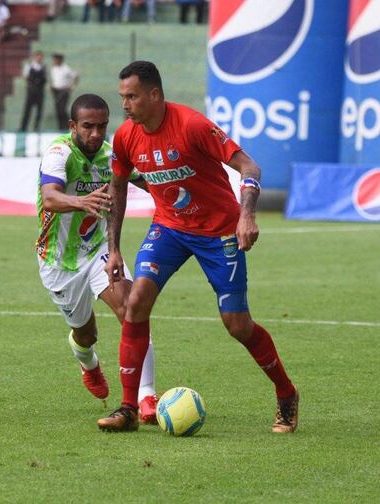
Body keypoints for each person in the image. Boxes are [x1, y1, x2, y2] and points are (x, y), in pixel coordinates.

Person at [98, 61, 299, 434]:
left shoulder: (192, 125)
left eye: (132, 97)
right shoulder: (126, 137)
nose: (125, 105)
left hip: (219, 231)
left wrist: (246, 216)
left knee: (237, 325)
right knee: (136, 301)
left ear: (154, 95)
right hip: (169, 228)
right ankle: (128, 408)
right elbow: (118, 187)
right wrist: (114, 248)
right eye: (122, 97)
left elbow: (250, 167)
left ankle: (286, 394)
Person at [36, 93, 159, 421]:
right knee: (85, 333)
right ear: (72, 125)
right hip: (59, 261)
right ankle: (88, 363)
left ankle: (146, 396)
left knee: (132, 308)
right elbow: (50, 198)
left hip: (99, 250)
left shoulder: (111, 156)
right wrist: (82, 202)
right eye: (87, 126)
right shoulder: (59, 153)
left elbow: (150, 183)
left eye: (102, 126)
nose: (95, 134)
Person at [50, 54, 79, 131]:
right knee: (58, 110)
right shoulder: (53, 68)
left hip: (63, 91)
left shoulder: (65, 68)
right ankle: (61, 127)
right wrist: (52, 85)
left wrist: (72, 86)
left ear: (59, 60)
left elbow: (76, 76)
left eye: (55, 59)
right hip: (56, 91)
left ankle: (67, 127)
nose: (54, 61)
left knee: (62, 110)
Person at [19, 51, 47, 132]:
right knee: (27, 110)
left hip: (40, 91)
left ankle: (36, 127)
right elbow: (24, 76)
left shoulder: (44, 67)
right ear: (35, 57)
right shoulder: (29, 66)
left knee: (39, 110)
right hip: (31, 90)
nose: (39, 58)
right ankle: (23, 127)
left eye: (41, 57)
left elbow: (45, 78)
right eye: (38, 56)